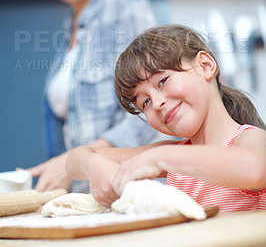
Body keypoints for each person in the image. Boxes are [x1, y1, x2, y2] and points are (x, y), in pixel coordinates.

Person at [17, 0, 160, 193]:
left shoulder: (124, 3)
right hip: (92, 196)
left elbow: (153, 108)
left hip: (132, 190)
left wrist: (74, 161)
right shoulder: (69, 30)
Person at [66, 24, 266, 212]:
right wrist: (93, 166)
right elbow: (75, 159)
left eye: (162, 81)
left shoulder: (248, 139)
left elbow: (255, 169)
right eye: (145, 102)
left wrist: (159, 159)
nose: (156, 103)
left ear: (205, 66)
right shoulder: (170, 152)